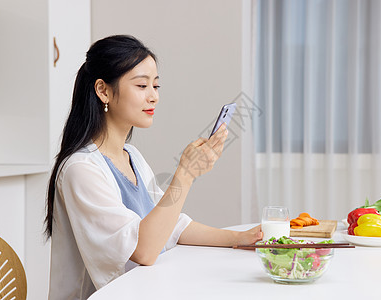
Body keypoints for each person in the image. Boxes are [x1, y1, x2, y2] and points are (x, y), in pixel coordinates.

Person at [45, 35, 262, 300]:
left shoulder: (132, 156)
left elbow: (170, 225)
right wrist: (185, 174)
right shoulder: (81, 169)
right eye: (142, 85)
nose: (153, 97)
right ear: (103, 90)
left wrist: (239, 239)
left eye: (156, 86)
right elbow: (144, 251)